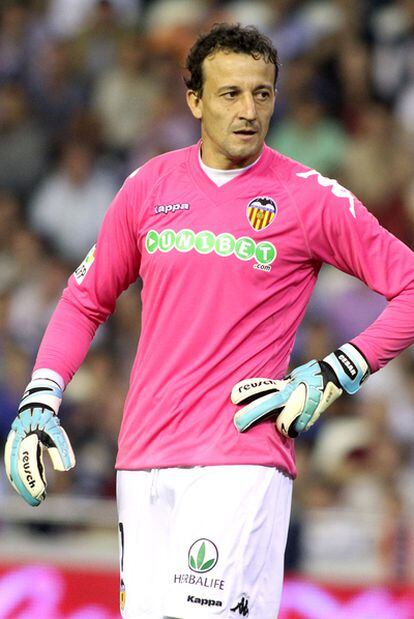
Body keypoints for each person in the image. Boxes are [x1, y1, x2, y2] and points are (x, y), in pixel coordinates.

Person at [4, 23, 414, 619]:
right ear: (194, 99)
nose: (249, 110)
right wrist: (40, 398)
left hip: (239, 457)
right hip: (142, 459)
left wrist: (337, 371)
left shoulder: (309, 197)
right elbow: (84, 299)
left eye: (262, 93)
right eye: (230, 94)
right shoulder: (149, 187)